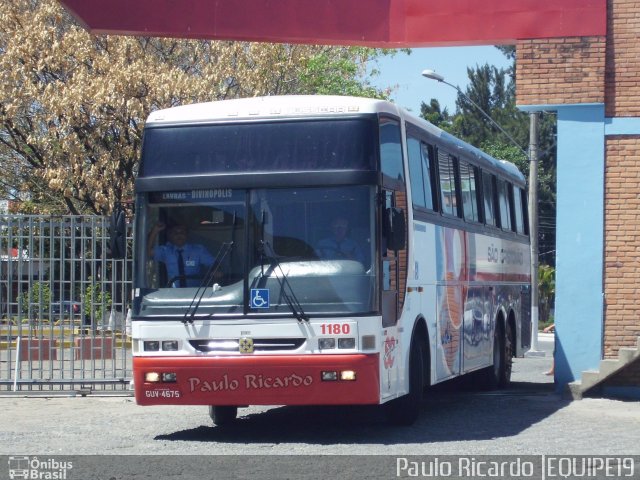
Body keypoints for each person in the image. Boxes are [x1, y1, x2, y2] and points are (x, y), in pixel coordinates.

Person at [147, 222, 215, 287]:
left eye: (182, 232)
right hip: (173, 294)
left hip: (195, 293)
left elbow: (214, 264)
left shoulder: (198, 250)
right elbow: (149, 252)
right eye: (175, 233)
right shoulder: (166, 251)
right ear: (171, 236)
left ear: (187, 235)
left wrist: (215, 270)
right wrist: (155, 230)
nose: (179, 235)